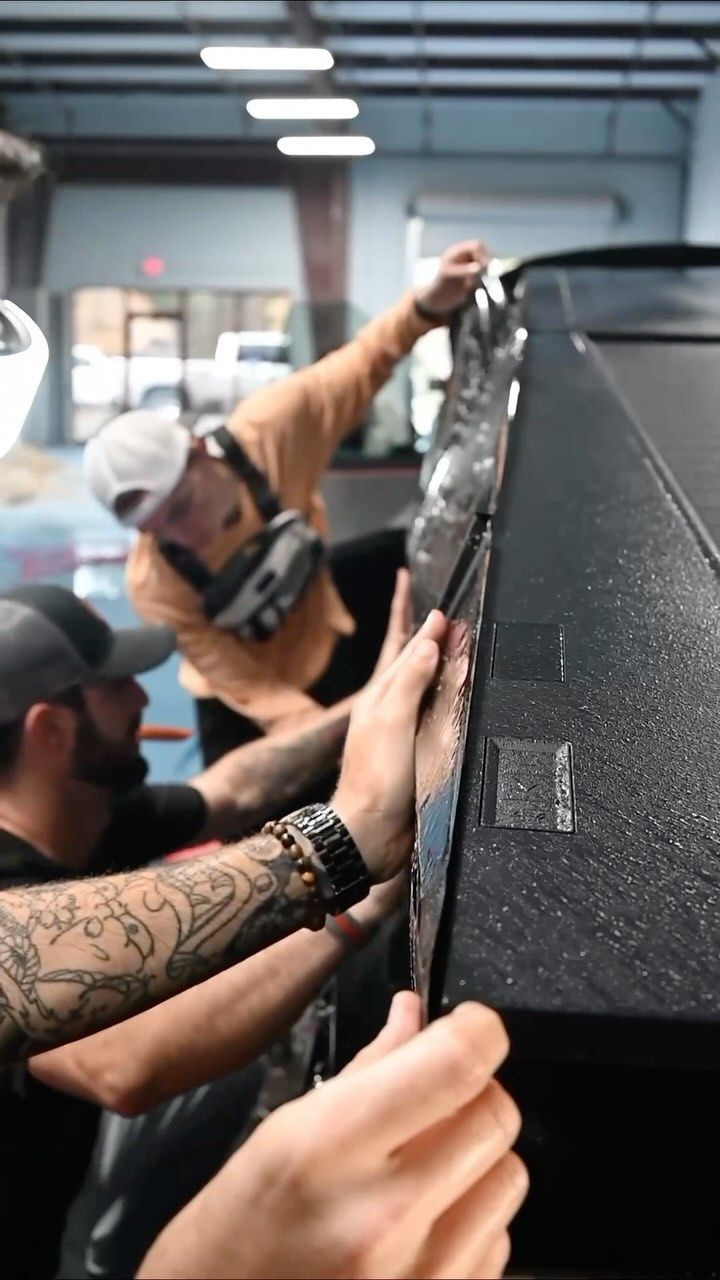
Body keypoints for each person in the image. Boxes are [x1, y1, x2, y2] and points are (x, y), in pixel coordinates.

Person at [0, 574, 408, 1277]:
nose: (140, 698)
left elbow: (236, 788)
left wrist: (369, 704)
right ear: (52, 730)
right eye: (117, 684)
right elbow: (124, 1063)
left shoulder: (83, 810)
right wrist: (361, 893)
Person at [83, 240, 490, 764]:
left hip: (324, 638)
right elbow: (252, 689)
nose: (184, 536)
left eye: (181, 508)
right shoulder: (155, 582)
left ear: (200, 452)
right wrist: (329, 741)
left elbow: (362, 363)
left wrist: (427, 304)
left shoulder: (270, 435)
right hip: (242, 704)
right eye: (157, 529)